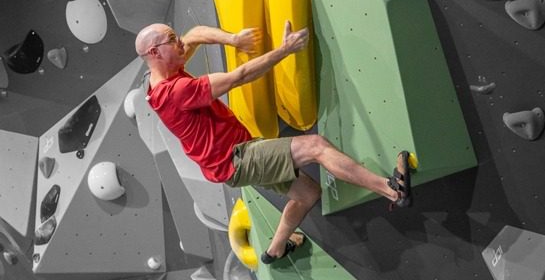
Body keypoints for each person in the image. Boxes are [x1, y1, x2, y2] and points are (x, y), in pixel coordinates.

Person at [135, 21, 412, 263]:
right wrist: (285, 50)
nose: (180, 41)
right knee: (316, 146)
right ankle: (392, 190)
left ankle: (276, 249)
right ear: (155, 52)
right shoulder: (177, 92)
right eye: (172, 39)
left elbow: (194, 34)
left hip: (227, 163)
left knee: (307, 194)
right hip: (238, 157)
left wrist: (234, 40)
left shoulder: (157, 77)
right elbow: (239, 77)